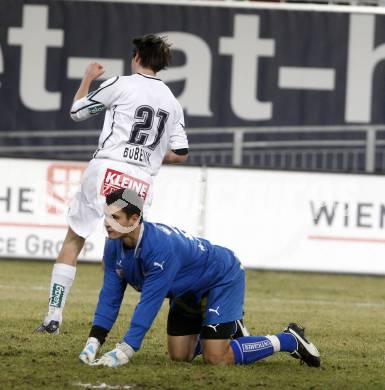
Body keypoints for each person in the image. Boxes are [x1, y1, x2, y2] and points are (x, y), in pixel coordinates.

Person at [36, 34, 189, 334]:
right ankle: (130, 317)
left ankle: (54, 316)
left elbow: (77, 111)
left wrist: (88, 79)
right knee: (128, 247)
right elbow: (181, 153)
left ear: (136, 57)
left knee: (74, 239)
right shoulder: (172, 102)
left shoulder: (120, 84)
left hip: (107, 169)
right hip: (141, 179)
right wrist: (153, 156)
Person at [79, 188, 321, 368]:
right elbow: (110, 296)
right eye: (106, 217)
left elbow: (149, 304)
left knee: (216, 358)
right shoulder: (113, 246)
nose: (107, 224)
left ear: (134, 219)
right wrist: (94, 340)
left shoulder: (160, 249)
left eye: (115, 218)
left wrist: (126, 350)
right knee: (179, 356)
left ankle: (289, 339)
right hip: (187, 292)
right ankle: (226, 329)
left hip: (221, 278)